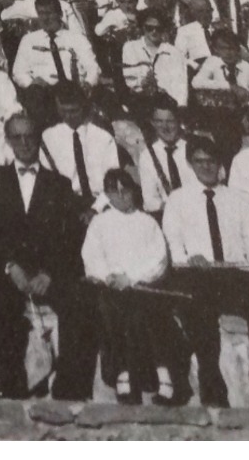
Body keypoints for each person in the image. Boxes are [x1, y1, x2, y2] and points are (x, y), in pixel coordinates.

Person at [0, 113, 96, 401]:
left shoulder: (60, 184)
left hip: (47, 272)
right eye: (18, 137)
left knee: (79, 301)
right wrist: (10, 266)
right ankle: (12, 387)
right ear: (7, 141)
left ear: (38, 139)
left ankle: (69, 388)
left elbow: (69, 240)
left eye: (30, 136)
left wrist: (48, 273)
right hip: (10, 271)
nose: (25, 143)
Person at [162, 138, 249, 407]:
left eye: (211, 161)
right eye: (200, 161)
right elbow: (172, 244)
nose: (206, 167)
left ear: (219, 163)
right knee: (199, 313)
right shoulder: (178, 199)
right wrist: (190, 258)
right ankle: (212, 389)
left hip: (234, 274)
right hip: (197, 274)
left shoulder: (237, 199)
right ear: (190, 164)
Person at [82, 168, 181, 405]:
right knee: (114, 313)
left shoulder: (147, 222)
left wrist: (133, 278)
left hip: (143, 286)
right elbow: (91, 256)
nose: (121, 197)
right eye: (114, 192)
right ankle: (123, 375)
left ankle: (164, 378)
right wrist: (109, 277)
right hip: (111, 288)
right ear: (107, 194)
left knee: (148, 316)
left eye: (125, 191)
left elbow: (159, 259)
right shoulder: (100, 222)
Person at [40, 82, 119, 212]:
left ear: (83, 106)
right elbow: (46, 182)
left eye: (73, 111)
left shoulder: (103, 137)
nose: (68, 117)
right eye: (63, 111)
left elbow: (113, 181)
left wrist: (96, 209)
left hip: (101, 203)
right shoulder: (49, 137)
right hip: (65, 206)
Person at [189, 28, 249, 162]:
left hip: (243, 113)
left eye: (231, 48)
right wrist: (230, 87)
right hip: (219, 115)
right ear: (216, 50)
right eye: (223, 48)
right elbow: (196, 82)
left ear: (238, 49)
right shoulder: (212, 63)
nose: (228, 53)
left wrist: (248, 103)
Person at [13, 0, 100, 105]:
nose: (45, 18)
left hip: (72, 92)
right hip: (41, 95)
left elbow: (93, 68)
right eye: (41, 13)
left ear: (60, 14)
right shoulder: (28, 40)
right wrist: (31, 83)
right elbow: (18, 71)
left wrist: (88, 83)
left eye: (49, 13)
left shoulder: (77, 38)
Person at [135, 97, 203, 214]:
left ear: (179, 121)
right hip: (168, 215)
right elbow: (150, 201)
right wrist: (173, 208)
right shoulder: (147, 156)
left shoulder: (194, 147)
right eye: (159, 121)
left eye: (170, 121)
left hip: (199, 210)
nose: (165, 127)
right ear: (153, 123)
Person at [118, 12, 189, 114]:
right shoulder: (131, 47)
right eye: (149, 28)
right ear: (143, 27)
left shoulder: (174, 52)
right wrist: (143, 84)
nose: (154, 31)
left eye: (158, 28)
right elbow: (130, 80)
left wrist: (180, 107)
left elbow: (181, 84)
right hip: (139, 102)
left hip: (167, 105)